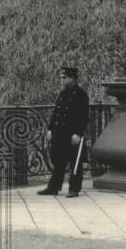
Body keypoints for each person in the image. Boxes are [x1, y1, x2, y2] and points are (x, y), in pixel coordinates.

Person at [37, 65, 90, 197]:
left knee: (75, 163)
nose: (62, 79)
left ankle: (74, 188)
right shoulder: (62, 93)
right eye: (61, 77)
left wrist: (78, 133)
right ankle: (53, 187)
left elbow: (83, 116)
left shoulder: (81, 94)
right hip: (60, 132)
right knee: (58, 161)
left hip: (72, 134)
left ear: (72, 78)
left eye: (64, 77)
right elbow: (56, 113)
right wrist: (50, 129)